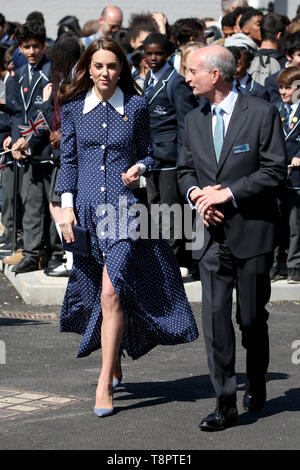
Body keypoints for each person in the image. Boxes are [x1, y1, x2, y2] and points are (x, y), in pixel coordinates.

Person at [56, 38, 199, 417]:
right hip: (83, 211)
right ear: (89, 68)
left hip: (123, 210)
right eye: (99, 66)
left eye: (113, 67)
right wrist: (65, 208)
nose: (105, 73)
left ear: (122, 70)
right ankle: (113, 358)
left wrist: (141, 168)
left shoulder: (135, 106)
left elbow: (150, 152)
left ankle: (104, 384)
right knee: (94, 291)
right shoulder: (72, 108)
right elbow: (67, 161)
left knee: (111, 292)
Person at [177, 45, 286, 431]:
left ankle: (256, 383)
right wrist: (198, 198)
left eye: (192, 71)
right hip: (211, 235)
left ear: (216, 75)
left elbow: (275, 170)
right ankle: (225, 402)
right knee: (215, 319)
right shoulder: (192, 120)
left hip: (253, 233)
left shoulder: (261, 113)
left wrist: (228, 193)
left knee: (251, 320)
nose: (187, 78)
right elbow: (185, 171)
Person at [6, 22, 63, 273]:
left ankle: (54, 252)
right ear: (19, 47)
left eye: (36, 46)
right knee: (30, 204)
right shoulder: (17, 74)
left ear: (43, 46)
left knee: (53, 206)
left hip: (47, 149)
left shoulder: (52, 73)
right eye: (26, 47)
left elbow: (46, 114)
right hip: (26, 149)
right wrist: (16, 139)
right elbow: (16, 113)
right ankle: (31, 253)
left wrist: (27, 138)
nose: (31, 51)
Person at [143, 33, 199, 276]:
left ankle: (174, 263)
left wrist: (182, 162)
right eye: (149, 53)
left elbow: (185, 124)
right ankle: (161, 259)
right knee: (154, 209)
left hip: (170, 158)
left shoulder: (175, 82)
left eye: (158, 53)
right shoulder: (147, 79)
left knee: (171, 212)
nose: (153, 58)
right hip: (151, 157)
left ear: (168, 54)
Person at [274, 67, 300, 283]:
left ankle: (294, 268)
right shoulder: (275, 109)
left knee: (295, 226)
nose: (283, 92)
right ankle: (273, 267)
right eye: (281, 87)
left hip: (296, 179)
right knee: (274, 224)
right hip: (276, 176)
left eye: (288, 88)